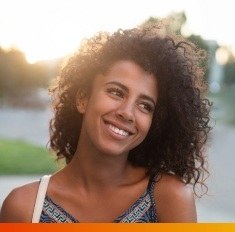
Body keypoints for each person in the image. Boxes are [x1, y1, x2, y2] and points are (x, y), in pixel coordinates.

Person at [0, 23, 212, 223]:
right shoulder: (24, 208)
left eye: (145, 105)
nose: (127, 113)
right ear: (83, 98)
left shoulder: (169, 198)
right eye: (116, 92)